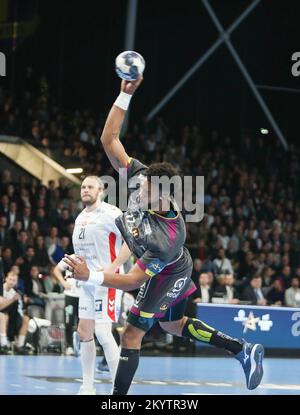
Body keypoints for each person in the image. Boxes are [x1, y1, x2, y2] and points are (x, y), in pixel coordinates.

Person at [64, 75, 264, 395]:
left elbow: (133, 281)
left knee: (131, 334)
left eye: (145, 191)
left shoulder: (166, 237)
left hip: (168, 271)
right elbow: (109, 139)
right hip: (162, 264)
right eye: (140, 186)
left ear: (163, 194)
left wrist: (92, 275)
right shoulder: (141, 178)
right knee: (173, 325)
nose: (137, 192)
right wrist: (124, 95)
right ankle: (242, 350)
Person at [67, 176, 124, 395]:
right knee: (84, 332)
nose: (85, 190)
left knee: (102, 331)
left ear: (100, 190)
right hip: (87, 281)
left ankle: (120, 388)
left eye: (90, 187)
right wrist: (71, 262)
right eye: (83, 187)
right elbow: (83, 252)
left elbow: (130, 242)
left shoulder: (112, 213)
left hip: (107, 280)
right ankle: (88, 386)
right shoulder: (81, 217)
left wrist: (114, 267)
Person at [53, 255, 80, 355]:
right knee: (69, 321)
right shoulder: (70, 257)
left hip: (85, 297)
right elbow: (56, 269)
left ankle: (81, 345)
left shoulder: (89, 256)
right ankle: (69, 346)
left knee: (83, 323)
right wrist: (63, 282)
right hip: (70, 295)